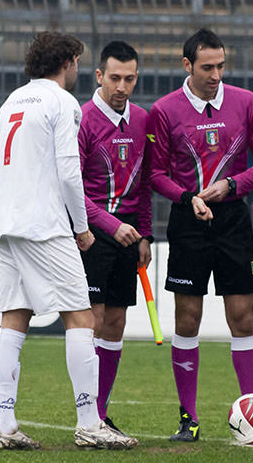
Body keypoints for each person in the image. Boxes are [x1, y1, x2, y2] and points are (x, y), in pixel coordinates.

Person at [0, 31, 138, 450]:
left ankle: (5, 425)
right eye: (76, 62)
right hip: (44, 224)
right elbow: (69, 172)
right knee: (81, 318)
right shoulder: (62, 102)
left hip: (5, 223)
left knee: (14, 318)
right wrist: (81, 227)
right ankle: (90, 424)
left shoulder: (11, 102)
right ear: (68, 62)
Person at [147, 28, 253, 443]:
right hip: (188, 222)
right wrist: (186, 196)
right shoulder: (164, 110)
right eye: (207, 67)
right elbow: (156, 173)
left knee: (242, 318)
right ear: (187, 65)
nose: (215, 74)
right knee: (187, 319)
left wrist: (232, 186)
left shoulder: (246, 102)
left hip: (233, 222)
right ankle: (188, 419)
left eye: (221, 66)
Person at [78, 40, 151, 434]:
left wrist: (146, 236)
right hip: (92, 234)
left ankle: (101, 413)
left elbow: (143, 186)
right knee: (94, 319)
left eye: (130, 78)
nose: (122, 86)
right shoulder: (83, 119)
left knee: (117, 322)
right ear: (99, 76)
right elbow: (71, 188)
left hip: (128, 235)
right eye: (115, 78)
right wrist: (109, 225)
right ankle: (86, 415)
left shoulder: (142, 119)